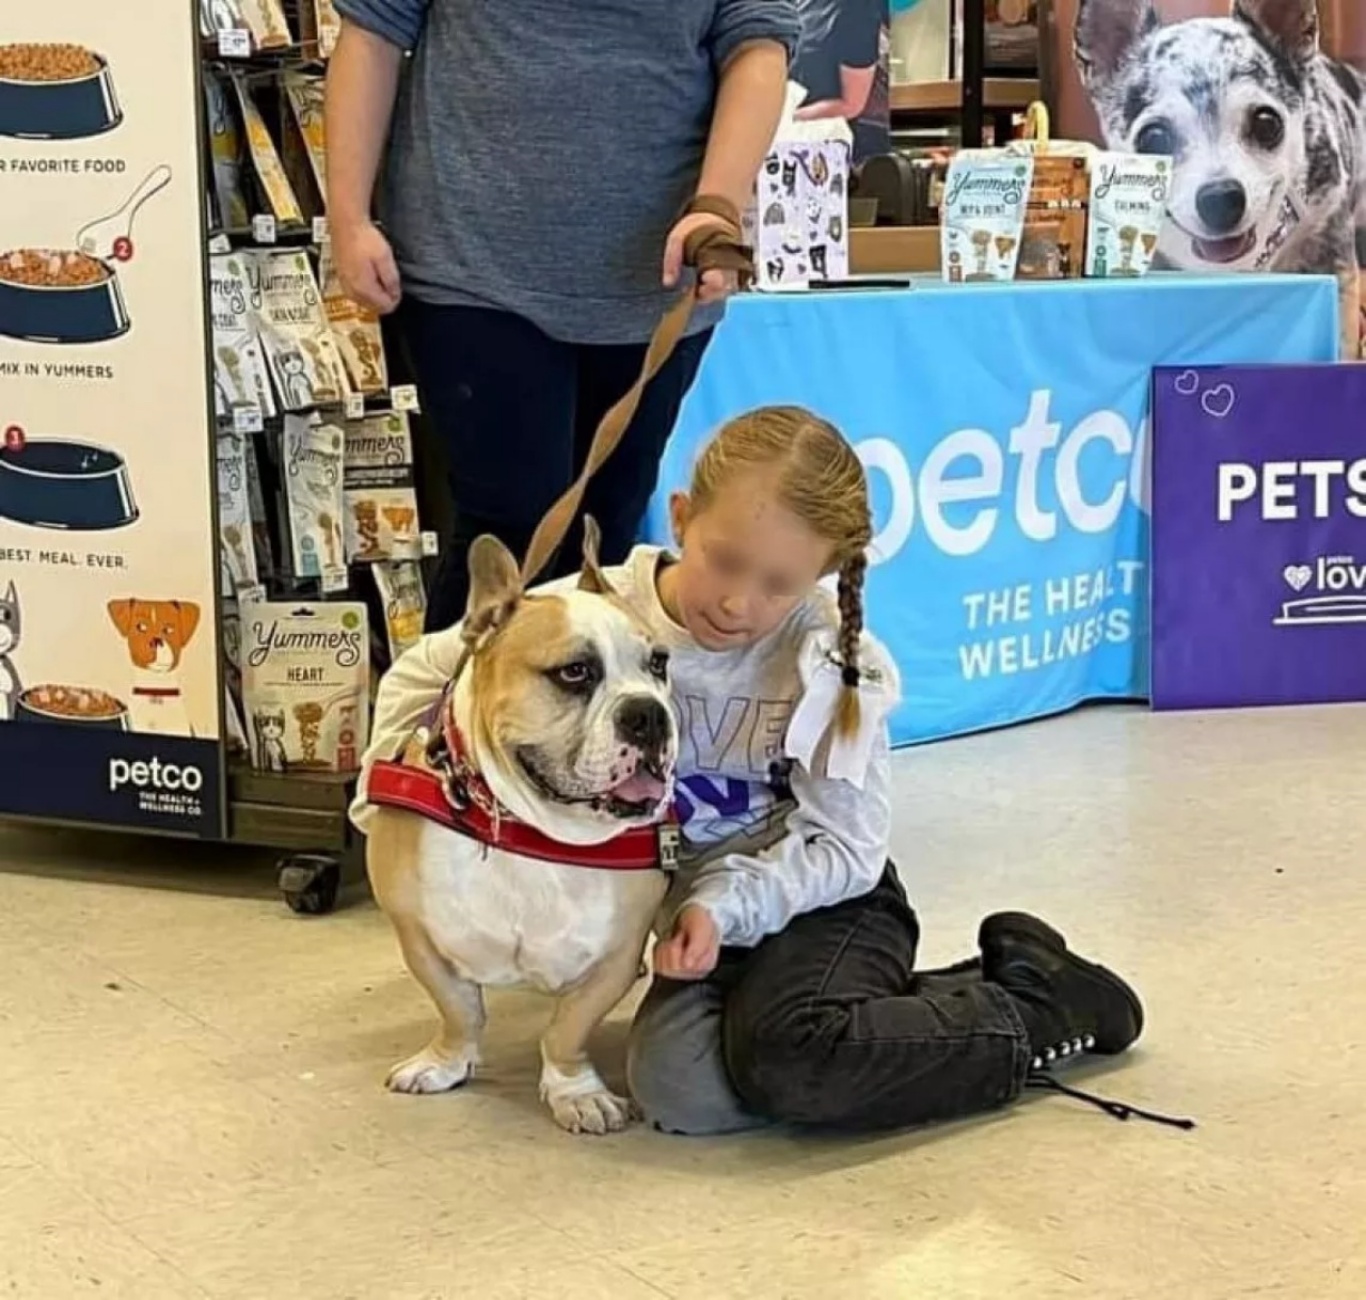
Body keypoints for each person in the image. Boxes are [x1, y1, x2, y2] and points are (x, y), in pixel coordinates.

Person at [355, 406, 1171, 1136]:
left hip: (815, 894)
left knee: (794, 1062)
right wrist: (390, 794)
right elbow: (430, 668)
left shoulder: (832, 660)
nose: (739, 602)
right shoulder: (598, 611)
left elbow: (848, 849)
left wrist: (724, 903)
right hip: (694, 923)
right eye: (724, 560)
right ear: (681, 518)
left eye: (778, 583)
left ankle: (1039, 1005)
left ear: (821, 575)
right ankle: (883, 1006)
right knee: (685, 1095)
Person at [325, 0, 798, 632]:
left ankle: (586, 730)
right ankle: (441, 727)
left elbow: (759, 46)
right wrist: (348, 219)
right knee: (510, 527)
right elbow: (372, 32)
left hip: (656, 281)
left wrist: (719, 206)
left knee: (610, 526)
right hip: (470, 263)